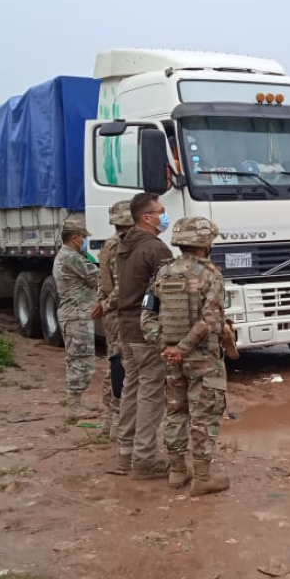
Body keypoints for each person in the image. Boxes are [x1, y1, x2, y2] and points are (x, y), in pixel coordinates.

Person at [141, 217, 231, 495]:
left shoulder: (163, 273)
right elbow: (209, 321)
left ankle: (177, 471)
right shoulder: (211, 275)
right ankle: (202, 477)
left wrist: (166, 348)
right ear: (205, 243)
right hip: (202, 359)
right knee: (204, 414)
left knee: (176, 410)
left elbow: (146, 316)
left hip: (171, 359)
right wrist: (182, 349)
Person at [115, 193, 174, 480]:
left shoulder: (124, 245)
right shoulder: (155, 249)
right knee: (151, 394)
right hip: (147, 331)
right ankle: (145, 461)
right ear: (147, 217)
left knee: (131, 389)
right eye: (161, 211)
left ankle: (126, 453)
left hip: (126, 328)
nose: (165, 215)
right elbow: (169, 294)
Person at [90, 200, 133, 439]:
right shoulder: (122, 247)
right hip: (122, 313)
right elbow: (123, 284)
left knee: (114, 363)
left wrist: (101, 303)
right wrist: (106, 304)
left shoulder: (107, 245)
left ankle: (110, 420)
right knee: (122, 366)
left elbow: (102, 281)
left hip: (112, 312)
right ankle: (117, 422)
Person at [52, 214, 99, 420]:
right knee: (82, 361)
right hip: (76, 315)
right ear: (75, 238)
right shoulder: (71, 257)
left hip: (74, 314)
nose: (85, 240)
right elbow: (96, 277)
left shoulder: (66, 255)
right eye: (83, 237)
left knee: (76, 359)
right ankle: (75, 407)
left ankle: (76, 404)